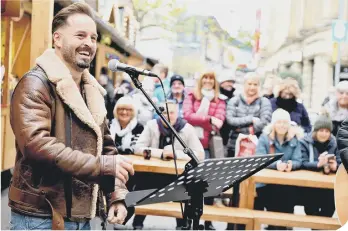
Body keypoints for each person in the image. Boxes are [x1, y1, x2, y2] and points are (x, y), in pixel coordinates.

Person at [8, 3, 134, 230]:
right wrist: (104, 167)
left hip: (82, 218)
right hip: (40, 217)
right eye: (80, 35)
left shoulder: (92, 91)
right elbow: (37, 147)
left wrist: (116, 194)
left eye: (94, 38)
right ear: (57, 39)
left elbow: (106, 149)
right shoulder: (35, 84)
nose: (89, 43)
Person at [132, 101, 204, 229]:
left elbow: (199, 154)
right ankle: (137, 223)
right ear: (159, 113)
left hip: (177, 174)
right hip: (153, 172)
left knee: (182, 189)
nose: (168, 115)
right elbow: (137, 147)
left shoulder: (187, 129)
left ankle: (182, 225)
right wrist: (160, 154)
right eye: (164, 112)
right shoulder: (151, 125)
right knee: (143, 185)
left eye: (171, 112)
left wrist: (176, 154)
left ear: (177, 113)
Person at [183, 70, 225, 230]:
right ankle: (188, 220)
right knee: (190, 183)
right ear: (200, 80)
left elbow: (219, 122)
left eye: (211, 78)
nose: (208, 81)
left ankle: (208, 221)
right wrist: (208, 119)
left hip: (208, 148)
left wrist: (199, 120)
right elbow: (187, 116)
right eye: (205, 78)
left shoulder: (220, 100)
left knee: (208, 184)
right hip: (191, 146)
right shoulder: (191, 96)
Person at [254, 109, 303, 230]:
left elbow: (298, 160)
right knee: (273, 200)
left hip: (287, 184)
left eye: (285, 122)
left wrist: (292, 164)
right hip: (266, 184)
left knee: (288, 198)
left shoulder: (294, 139)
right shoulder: (264, 139)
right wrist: (276, 165)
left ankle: (283, 226)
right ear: (273, 124)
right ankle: (274, 226)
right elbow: (260, 159)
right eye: (279, 122)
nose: (282, 125)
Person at [300, 112, 340, 217]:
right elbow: (302, 162)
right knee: (310, 208)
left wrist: (335, 166)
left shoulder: (335, 143)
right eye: (321, 130)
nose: (324, 133)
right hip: (309, 185)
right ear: (316, 131)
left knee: (330, 206)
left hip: (329, 186)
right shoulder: (305, 142)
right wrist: (318, 164)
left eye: (327, 131)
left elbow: (342, 163)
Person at [226, 72, 272, 157]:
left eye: (255, 84)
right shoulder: (234, 101)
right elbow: (230, 121)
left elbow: (265, 122)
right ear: (244, 84)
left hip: (257, 147)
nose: (252, 87)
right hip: (234, 146)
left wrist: (241, 129)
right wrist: (251, 119)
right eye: (249, 84)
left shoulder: (264, 102)